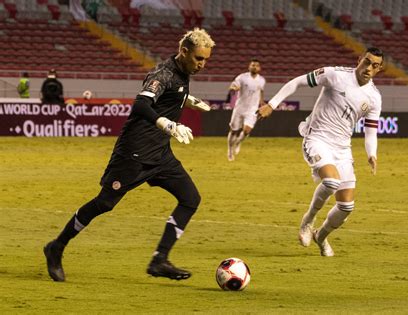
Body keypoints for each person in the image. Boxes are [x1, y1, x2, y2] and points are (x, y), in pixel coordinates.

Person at [43, 28, 215, 282]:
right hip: (134, 152)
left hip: (160, 153)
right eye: (199, 59)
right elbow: (141, 104)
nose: (202, 64)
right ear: (184, 51)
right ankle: (56, 246)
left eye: (206, 60)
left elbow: (168, 94)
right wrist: (167, 125)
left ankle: (159, 260)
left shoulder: (181, 73)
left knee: (190, 198)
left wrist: (186, 99)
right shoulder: (163, 73)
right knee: (104, 203)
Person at [258, 47, 384, 257]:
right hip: (316, 138)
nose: (369, 68)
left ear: (379, 69)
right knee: (331, 181)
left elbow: (371, 131)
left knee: (346, 206)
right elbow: (297, 82)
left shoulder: (374, 98)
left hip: (342, 149)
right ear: (359, 59)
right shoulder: (335, 75)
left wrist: (372, 154)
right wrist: (272, 104)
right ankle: (307, 222)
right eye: (367, 62)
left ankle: (321, 236)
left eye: (375, 65)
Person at [227, 58, 266, 161]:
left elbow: (261, 91)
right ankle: (230, 149)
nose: (254, 67)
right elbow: (235, 85)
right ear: (249, 67)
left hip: (252, 109)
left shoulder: (261, 80)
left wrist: (262, 103)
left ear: (259, 68)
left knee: (246, 130)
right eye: (252, 65)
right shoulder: (242, 77)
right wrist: (233, 88)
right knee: (234, 131)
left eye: (256, 65)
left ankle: (238, 142)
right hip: (240, 108)